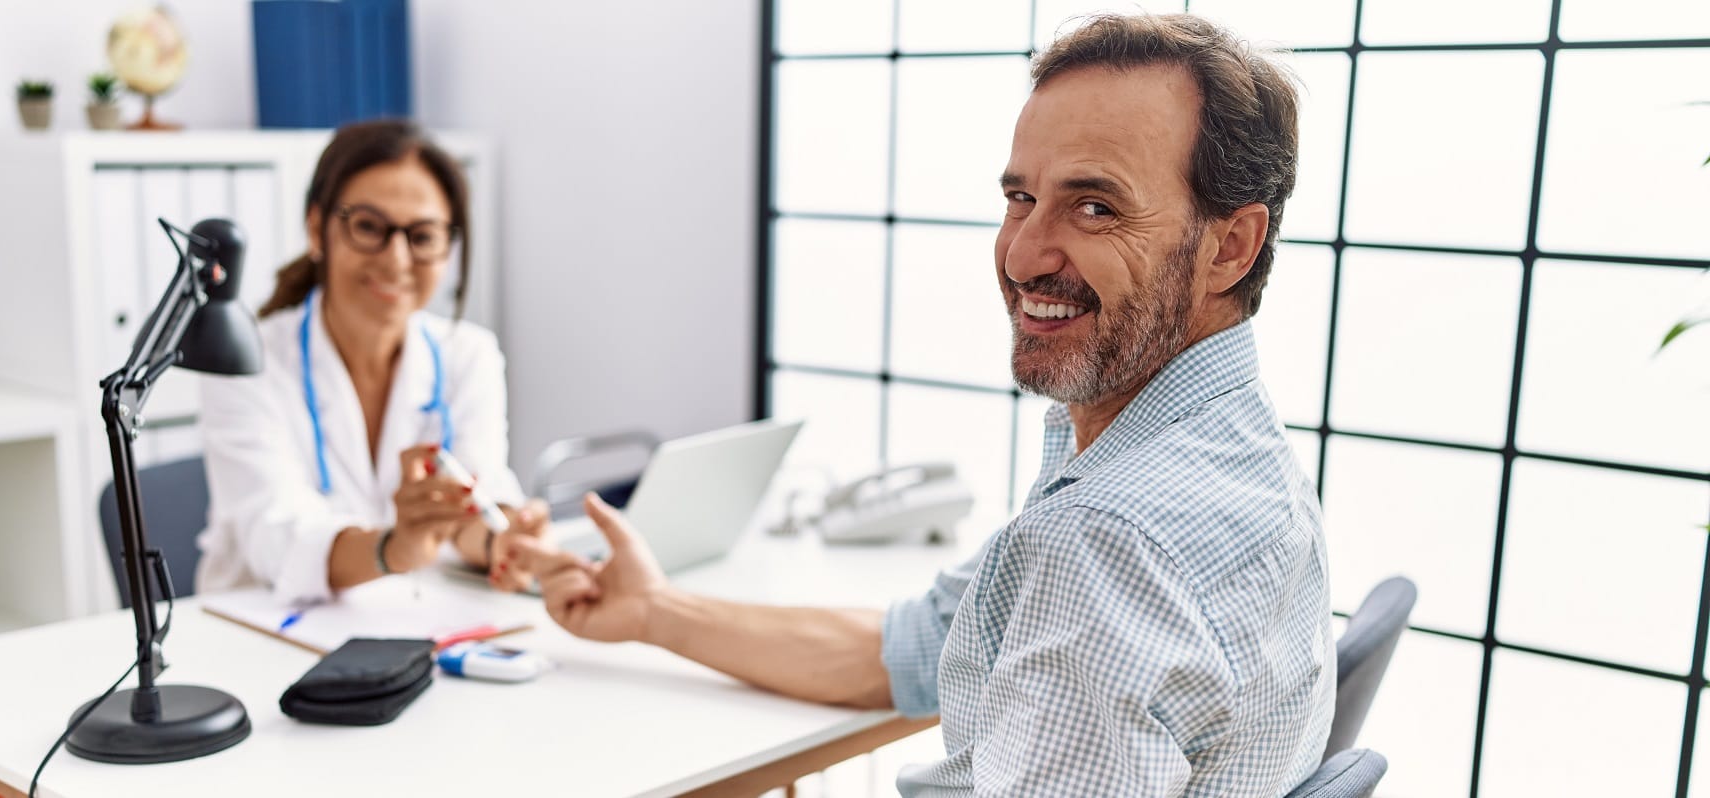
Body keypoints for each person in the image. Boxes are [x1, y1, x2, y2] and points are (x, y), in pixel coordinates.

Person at [508, 14, 1334, 795]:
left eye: (1096, 207)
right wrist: (655, 611)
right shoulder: (1225, 448)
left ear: (1230, 246)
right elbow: (910, 650)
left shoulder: (1111, 538)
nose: (1022, 254)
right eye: (1020, 199)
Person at [197, 119, 547, 603]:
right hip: (260, 626)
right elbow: (274, 537)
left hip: (405, 622)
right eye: (368, 227)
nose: (397, 259)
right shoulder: (247, 360)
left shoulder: (469, 356)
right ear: (318, 229)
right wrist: (394, 548)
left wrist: (502, 540)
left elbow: (474, 503)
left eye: (422, 236)